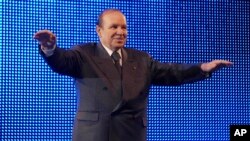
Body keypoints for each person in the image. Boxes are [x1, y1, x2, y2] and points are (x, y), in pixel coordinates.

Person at [34, 9, 232, 141]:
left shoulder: (141, 59)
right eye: (114, 27)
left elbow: (171, 72)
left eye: (124, 27)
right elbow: (62, 61)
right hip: (93, 135)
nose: (121, 32)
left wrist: (202, 68)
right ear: (99, 30)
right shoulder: (84, 54)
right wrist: (50, 48)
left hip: (131, 134)